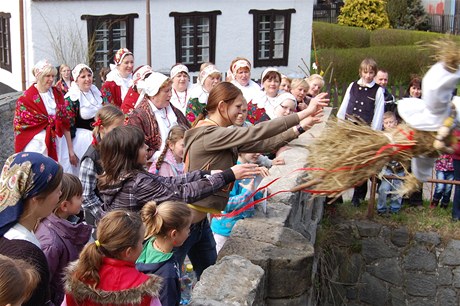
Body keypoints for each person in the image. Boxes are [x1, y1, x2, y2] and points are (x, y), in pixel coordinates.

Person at [179, 81, 328, 279]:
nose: (243, 113)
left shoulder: (221, 133)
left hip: (200, 224)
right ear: (222, 106)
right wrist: (304, 112)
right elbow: (256, 131)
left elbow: (262, 143)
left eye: (245, 109)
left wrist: (299, 128)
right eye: (238, 108)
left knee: (209, 278)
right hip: (183, 224)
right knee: (167, 284)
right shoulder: (209, 133)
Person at [98, 125, 260, 213]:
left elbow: (169, 182)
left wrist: (205, 173)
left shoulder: (125, 174)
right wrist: (227, 175)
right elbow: (181, 194)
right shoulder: (137, 183)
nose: (147, 147)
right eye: (141, 146)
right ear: (129, 154)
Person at [0, 152, 63, 306]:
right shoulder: (29, 255)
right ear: (36, 199)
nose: (61, 195)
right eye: (57, 191)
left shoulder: (6, 229)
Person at [62, 210, 162, 306]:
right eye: (141, 242)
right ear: (128, 252)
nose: (142, 246)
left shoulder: (80, 276)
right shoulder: (144, 288)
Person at [35, 173, 92, 306]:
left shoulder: (70, 226)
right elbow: (42, 285)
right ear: (65, 206)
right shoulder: (51, 243)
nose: (82, 199)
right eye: (79, 196)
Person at [337, 58, 385, 207]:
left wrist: (372, 135)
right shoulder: (352, 86)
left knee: (361, 165)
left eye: (371, 73)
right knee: (345, 163)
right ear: (360, 72)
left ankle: (358, 196)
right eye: (365, 72)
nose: (368, 75)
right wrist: (340, 126)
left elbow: (378, 114)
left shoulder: (378, 91)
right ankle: (337, 195)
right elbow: (345, 105)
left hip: (364, 132)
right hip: (349, 129)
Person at [13, 59, 78, 169]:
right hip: (37, 146)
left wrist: (70, 150)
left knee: (62, 175)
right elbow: (20, 127)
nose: (51, 79)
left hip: (59, 144)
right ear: (39, 76)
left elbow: (65, 123)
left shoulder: (57, 94)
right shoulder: (25, 99)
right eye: (47, 76)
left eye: (53, 76)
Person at [136, 201, 192, 306]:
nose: (189, 232)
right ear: (174, 234)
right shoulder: (167, 275)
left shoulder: (149, 242)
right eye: (188, 228)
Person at [211, 152, 269, 253]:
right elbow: (225, 204)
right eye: (253, 150)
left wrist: (259, 193)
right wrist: (247, 193)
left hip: (239, 228)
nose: (258, 153)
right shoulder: (232, 173)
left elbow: (250, 196)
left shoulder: (251, 170)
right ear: (241, 150)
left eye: (259, 149)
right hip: (224, 230)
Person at [127, 72, 190, 162]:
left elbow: (188, 131)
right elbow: (135, 147)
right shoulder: (138, 116)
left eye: (170, 90)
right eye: (166, 91)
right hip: (152, 168)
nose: (170, 94)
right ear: (153, 94)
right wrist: (166, 156)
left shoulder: (173, 111)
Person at [79, 105, 125, 226]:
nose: (121, 133)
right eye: (116, 129)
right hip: (102, 220)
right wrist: (106, 216)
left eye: (122, 128)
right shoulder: (91, 158)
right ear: (102, 128)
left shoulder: (120, 148)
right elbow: (86, 196)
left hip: (121, 213)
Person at [64, 63, 104, 176]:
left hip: (99, 138)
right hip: (80, 142)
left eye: (89, 75)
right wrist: (71, 151)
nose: (87, 79)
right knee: (85, 171)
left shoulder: (96, 93)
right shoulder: (71, 99)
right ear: (76, 80)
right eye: (83, 77)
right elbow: (68, 127)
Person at [376, 112, 405, 215]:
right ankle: (381, 209)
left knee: (398, 190)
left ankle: (395, 209)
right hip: (387, 168)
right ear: (383, 124)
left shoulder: (401, 135)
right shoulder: (382, 137)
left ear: (396, 123)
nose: (389, 124)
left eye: (391, 122)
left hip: (399, 168)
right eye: (386, 123)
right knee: (383, 189)